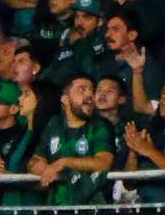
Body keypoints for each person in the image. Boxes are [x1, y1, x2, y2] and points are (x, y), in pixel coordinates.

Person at [28, 73, 115, 205]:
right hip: (56, 206)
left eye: (92, 90)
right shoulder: (53, 124)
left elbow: (103, 162)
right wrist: (37, 166)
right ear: (65, 99)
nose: (89, 95)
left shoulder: (101, 126)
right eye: (82, 90)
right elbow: (36, 158)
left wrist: (63, 163)